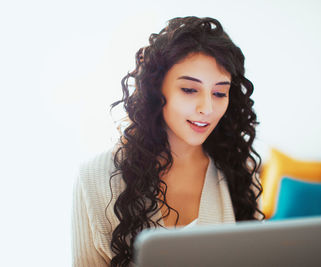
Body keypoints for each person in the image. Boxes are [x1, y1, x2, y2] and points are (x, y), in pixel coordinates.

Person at [72, 16, 264, 267]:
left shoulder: (242, 171)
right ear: (156, 89)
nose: (207, 108)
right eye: (189, 90)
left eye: (219, 93)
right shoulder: (94, 178)